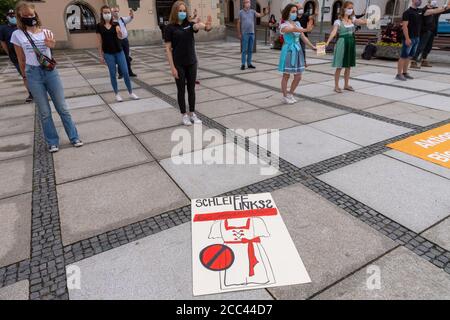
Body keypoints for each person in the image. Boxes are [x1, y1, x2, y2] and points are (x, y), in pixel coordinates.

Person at [11, 2, 82, 153]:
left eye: (32, 14)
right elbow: (20, 58)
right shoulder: (17, 35)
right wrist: (24, 77)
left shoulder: (46, 32)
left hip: (50, 73)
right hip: (33, 74)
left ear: (35, 14)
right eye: (26, 15)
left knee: (62, 108)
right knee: (44, 112)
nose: (30, 17)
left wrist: (51, 45)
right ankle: (52, 141)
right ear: (20, 17)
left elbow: (51, 49)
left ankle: (74, 137)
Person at [164, 1, 211, 126]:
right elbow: (168, 49)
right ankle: (184, 115)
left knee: (191, 89)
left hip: (191, 62)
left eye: (184, 11)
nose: (182, 13)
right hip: (178, 64)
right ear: (175, 12)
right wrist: (172, 67)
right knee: (181, 90)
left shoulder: (189, 24)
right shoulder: (169, 28)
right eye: (180, 11)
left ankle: (192, 113)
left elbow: (197, 26)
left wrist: (205, 26)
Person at [396, 0, 450, 80]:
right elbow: (404, 26)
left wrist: (447, 6)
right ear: (413, 0)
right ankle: (399, 74)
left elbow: (435, 11)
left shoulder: (420, 11)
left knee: (409, 56)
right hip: (409, 38)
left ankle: (405, 72)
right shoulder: (407, 12)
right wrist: (407, 38)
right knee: (404, 56)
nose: (420, 1)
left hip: (416, 38)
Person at [96, 5, 139, 102]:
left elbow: (120, 37)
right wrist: (101, 56)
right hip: (108, 54)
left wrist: (119, 33)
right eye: (105, 13)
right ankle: (117, 94)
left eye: (108, 13)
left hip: (119, 52)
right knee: (112, 74)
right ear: (102, 14)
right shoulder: (99, 26)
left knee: (125, 72)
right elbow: (100, 42)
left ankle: (131, 92)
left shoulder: (116, 24)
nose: (107, 14)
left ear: (111, 14)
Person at [325, 1, 367, 93]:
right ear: (344, 9)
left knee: (348, 66)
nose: (350, 10)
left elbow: (360, 21)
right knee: (339, 65)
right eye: (349, 8)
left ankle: (346, 85)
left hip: (351, 42)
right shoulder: (338, 21)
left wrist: (370, 20)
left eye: (352, 8)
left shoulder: (352, 19)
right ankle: (336, 86)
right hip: (342, 43)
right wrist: (328, 41)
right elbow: (334, 32)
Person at [278, 3, 316, 104]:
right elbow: (293, 30)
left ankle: (290, 94)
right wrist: (306, 29)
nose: (295, 13)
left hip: (297, 50)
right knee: (286, 75)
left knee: (298, 76)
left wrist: (313, 47)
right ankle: (285, 96)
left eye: (296, 11)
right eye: (293, 11)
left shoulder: (298, 23)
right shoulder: (283, 24)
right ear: (288, 13)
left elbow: (303, 37)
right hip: (289, 51)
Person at [0, 9, 33, 102]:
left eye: (14, 15)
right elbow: (3, 42)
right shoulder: (3, 28)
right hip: (15, 56)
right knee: (24, 75)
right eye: (10, 15)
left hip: (28, 53)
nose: (12, 17)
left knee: (34, 73)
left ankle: (39, 91)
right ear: (7, 17)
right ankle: (31, 94)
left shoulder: (22, 26)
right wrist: (9, 54)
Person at [411, 0, 450, 68]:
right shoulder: (424, 10)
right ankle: (413, 61)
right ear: (428, 2)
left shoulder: (435, 10)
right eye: (432, 1)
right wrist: (446, 5)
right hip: (425, 32)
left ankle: (424, 60)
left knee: (428, 47)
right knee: (421, 46)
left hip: (432, 31)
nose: (434, 2)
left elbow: (446, 10)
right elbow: (439, 10)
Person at [236, 0, 268, 70]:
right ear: (244, 4)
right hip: (245, 33)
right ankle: (243, 64)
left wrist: (265, 13)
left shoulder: (252, 11)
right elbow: (238, 23)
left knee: (250, 50)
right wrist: (239, 33)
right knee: (244, 50)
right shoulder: (241, 12)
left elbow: (260, 15)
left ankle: (249, 63)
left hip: (252, 33)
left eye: (249, 2)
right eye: (247, 2)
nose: (249, 3)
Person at [111, 6, 136, 79]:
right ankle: (120, 73)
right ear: (112, 12)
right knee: (120, 57)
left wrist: (131, 13)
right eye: (115, 11)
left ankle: (130, 72)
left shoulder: (121, 19)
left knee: (127, 57)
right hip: (117, 41)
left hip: (125, 40)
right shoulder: (111, 22)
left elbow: (130, 18)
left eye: (117, 11)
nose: (116, 12)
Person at [295, 1, 314, 67]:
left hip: (304, 35)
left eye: (301, 8)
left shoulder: (305, 15)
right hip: (295, 36)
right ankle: (296, 61)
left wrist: (311, 21)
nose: (301, 10)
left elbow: (310, 18)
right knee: (296, 49)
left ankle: (304, 62)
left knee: (302, 49)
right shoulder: (294, 18)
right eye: (299, 8)